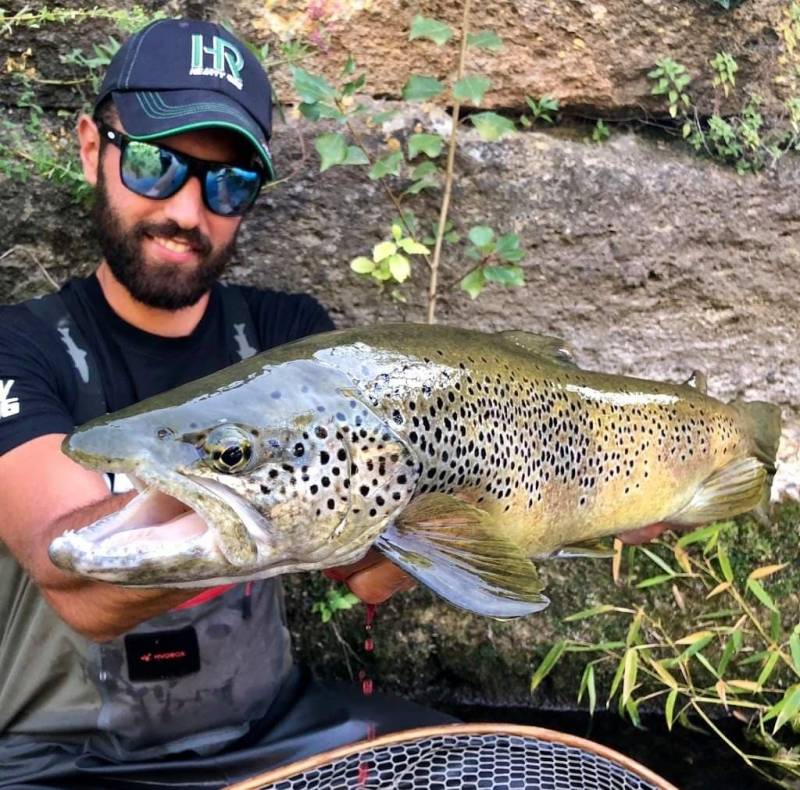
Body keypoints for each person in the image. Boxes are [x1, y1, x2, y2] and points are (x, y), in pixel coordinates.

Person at [0, 18, 451, 790]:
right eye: (154, 164)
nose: (187, 209)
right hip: (61, 760)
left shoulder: (291, 340)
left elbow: (370, 574)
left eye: (228, 182)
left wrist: (540, 515)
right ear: (91, 147)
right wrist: (285, 521)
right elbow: (74, 576)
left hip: (272, 730)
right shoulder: (19, 347)